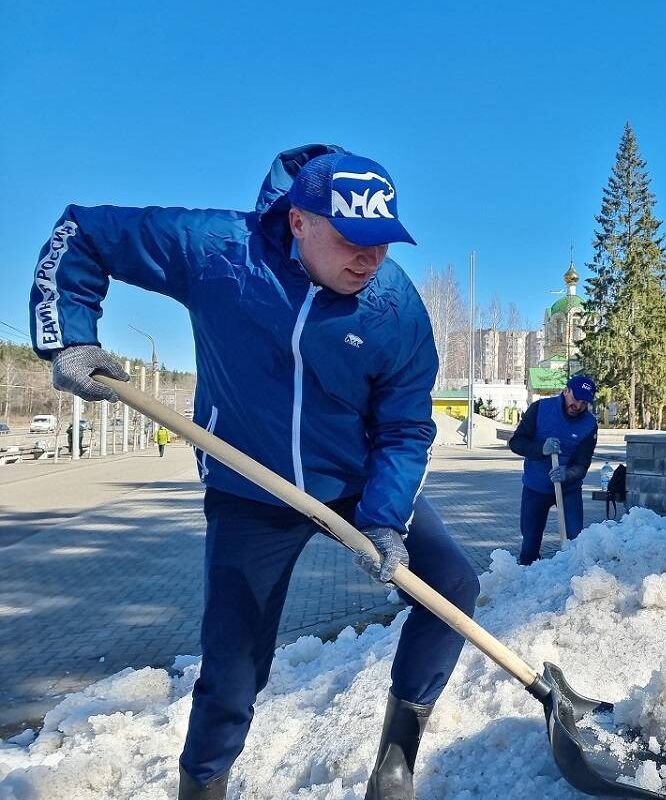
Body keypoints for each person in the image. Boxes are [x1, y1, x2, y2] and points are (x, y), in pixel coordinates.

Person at [29, 145, 480, 800]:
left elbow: (406, 428)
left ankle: (396, 762)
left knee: (452, 586)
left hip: (352, 486)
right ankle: (204, 786)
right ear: (299, 221)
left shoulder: (395, 310)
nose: (371, 259)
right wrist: (72, 331)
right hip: (250, 490)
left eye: (382, 242)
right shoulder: (218, 253)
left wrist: (383, 518)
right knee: (233, 671)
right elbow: (84, 231)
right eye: (353, 239)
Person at [508, 375, 598, 565]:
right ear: (566, 391)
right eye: (576, 398)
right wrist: (541, 449)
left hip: (569, 491)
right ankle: (526, 581)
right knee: (529, 545)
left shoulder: (589, 425)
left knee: (575, 542)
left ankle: (572, 581)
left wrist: (567, 474)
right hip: (535, 488)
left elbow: (582, 465)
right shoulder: (540, 409)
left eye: (585, 402)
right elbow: (516, 443)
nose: (579, 405)